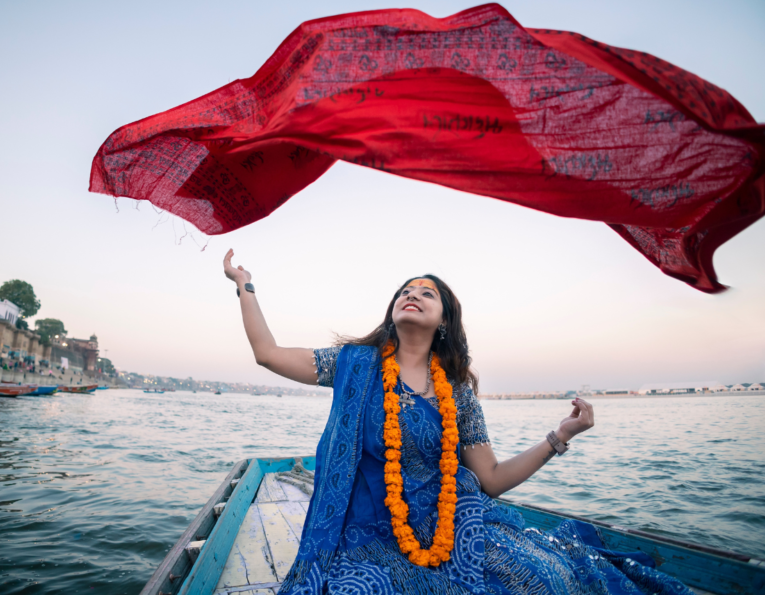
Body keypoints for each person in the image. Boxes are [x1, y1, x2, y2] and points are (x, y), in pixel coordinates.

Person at [223, 248, 692, 595]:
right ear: (393, 310)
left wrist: (558, 438)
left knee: (544, 578)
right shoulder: (353, 363)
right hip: (364, 532)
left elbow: (489, 479)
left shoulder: (458, 392)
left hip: (450, 520)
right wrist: (245, 284)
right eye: (406, 291)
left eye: (427, 293)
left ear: (444, 319)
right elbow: (267, 354)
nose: (413, 295)